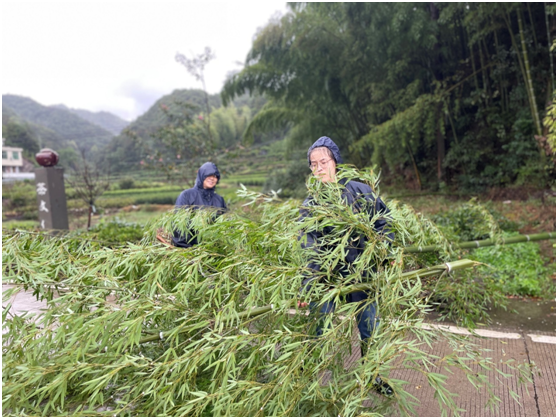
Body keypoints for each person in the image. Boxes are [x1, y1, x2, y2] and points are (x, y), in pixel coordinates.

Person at [297, 136, 394, 396]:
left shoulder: (358, 190)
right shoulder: (311, 204)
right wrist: (308, 285)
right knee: (320, 327)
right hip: (328, 278)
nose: (318, 168)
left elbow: (384, 221)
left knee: (369, 328)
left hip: (362, 274)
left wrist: (385, 249)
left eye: (323, 162)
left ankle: (372, 375)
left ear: (335, 162)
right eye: (313, 164)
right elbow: (309, 247)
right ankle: (304, 373)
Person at [172, 162, 227, 248]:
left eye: (215, 176)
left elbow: (225, 224)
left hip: (213, 248)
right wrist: (187, 249)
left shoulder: (219, 199)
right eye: (209, 175)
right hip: (191, 248)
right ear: (202, 176)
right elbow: (179, 224)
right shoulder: (187, 195)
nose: (212, 178)